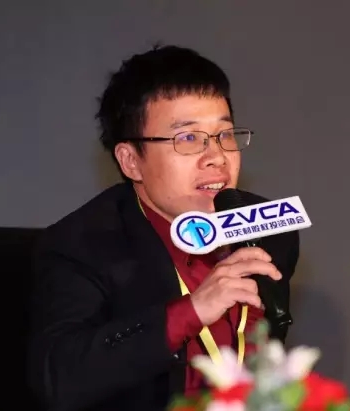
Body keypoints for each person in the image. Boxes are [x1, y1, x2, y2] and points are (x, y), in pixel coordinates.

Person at [26, 45, 300, 411]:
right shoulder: (80, 245)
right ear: (131, 161)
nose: (216, 157)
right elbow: (59, 379)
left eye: (225, 135)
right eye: (188, 138)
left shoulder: (269, 229)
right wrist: (191, 311)